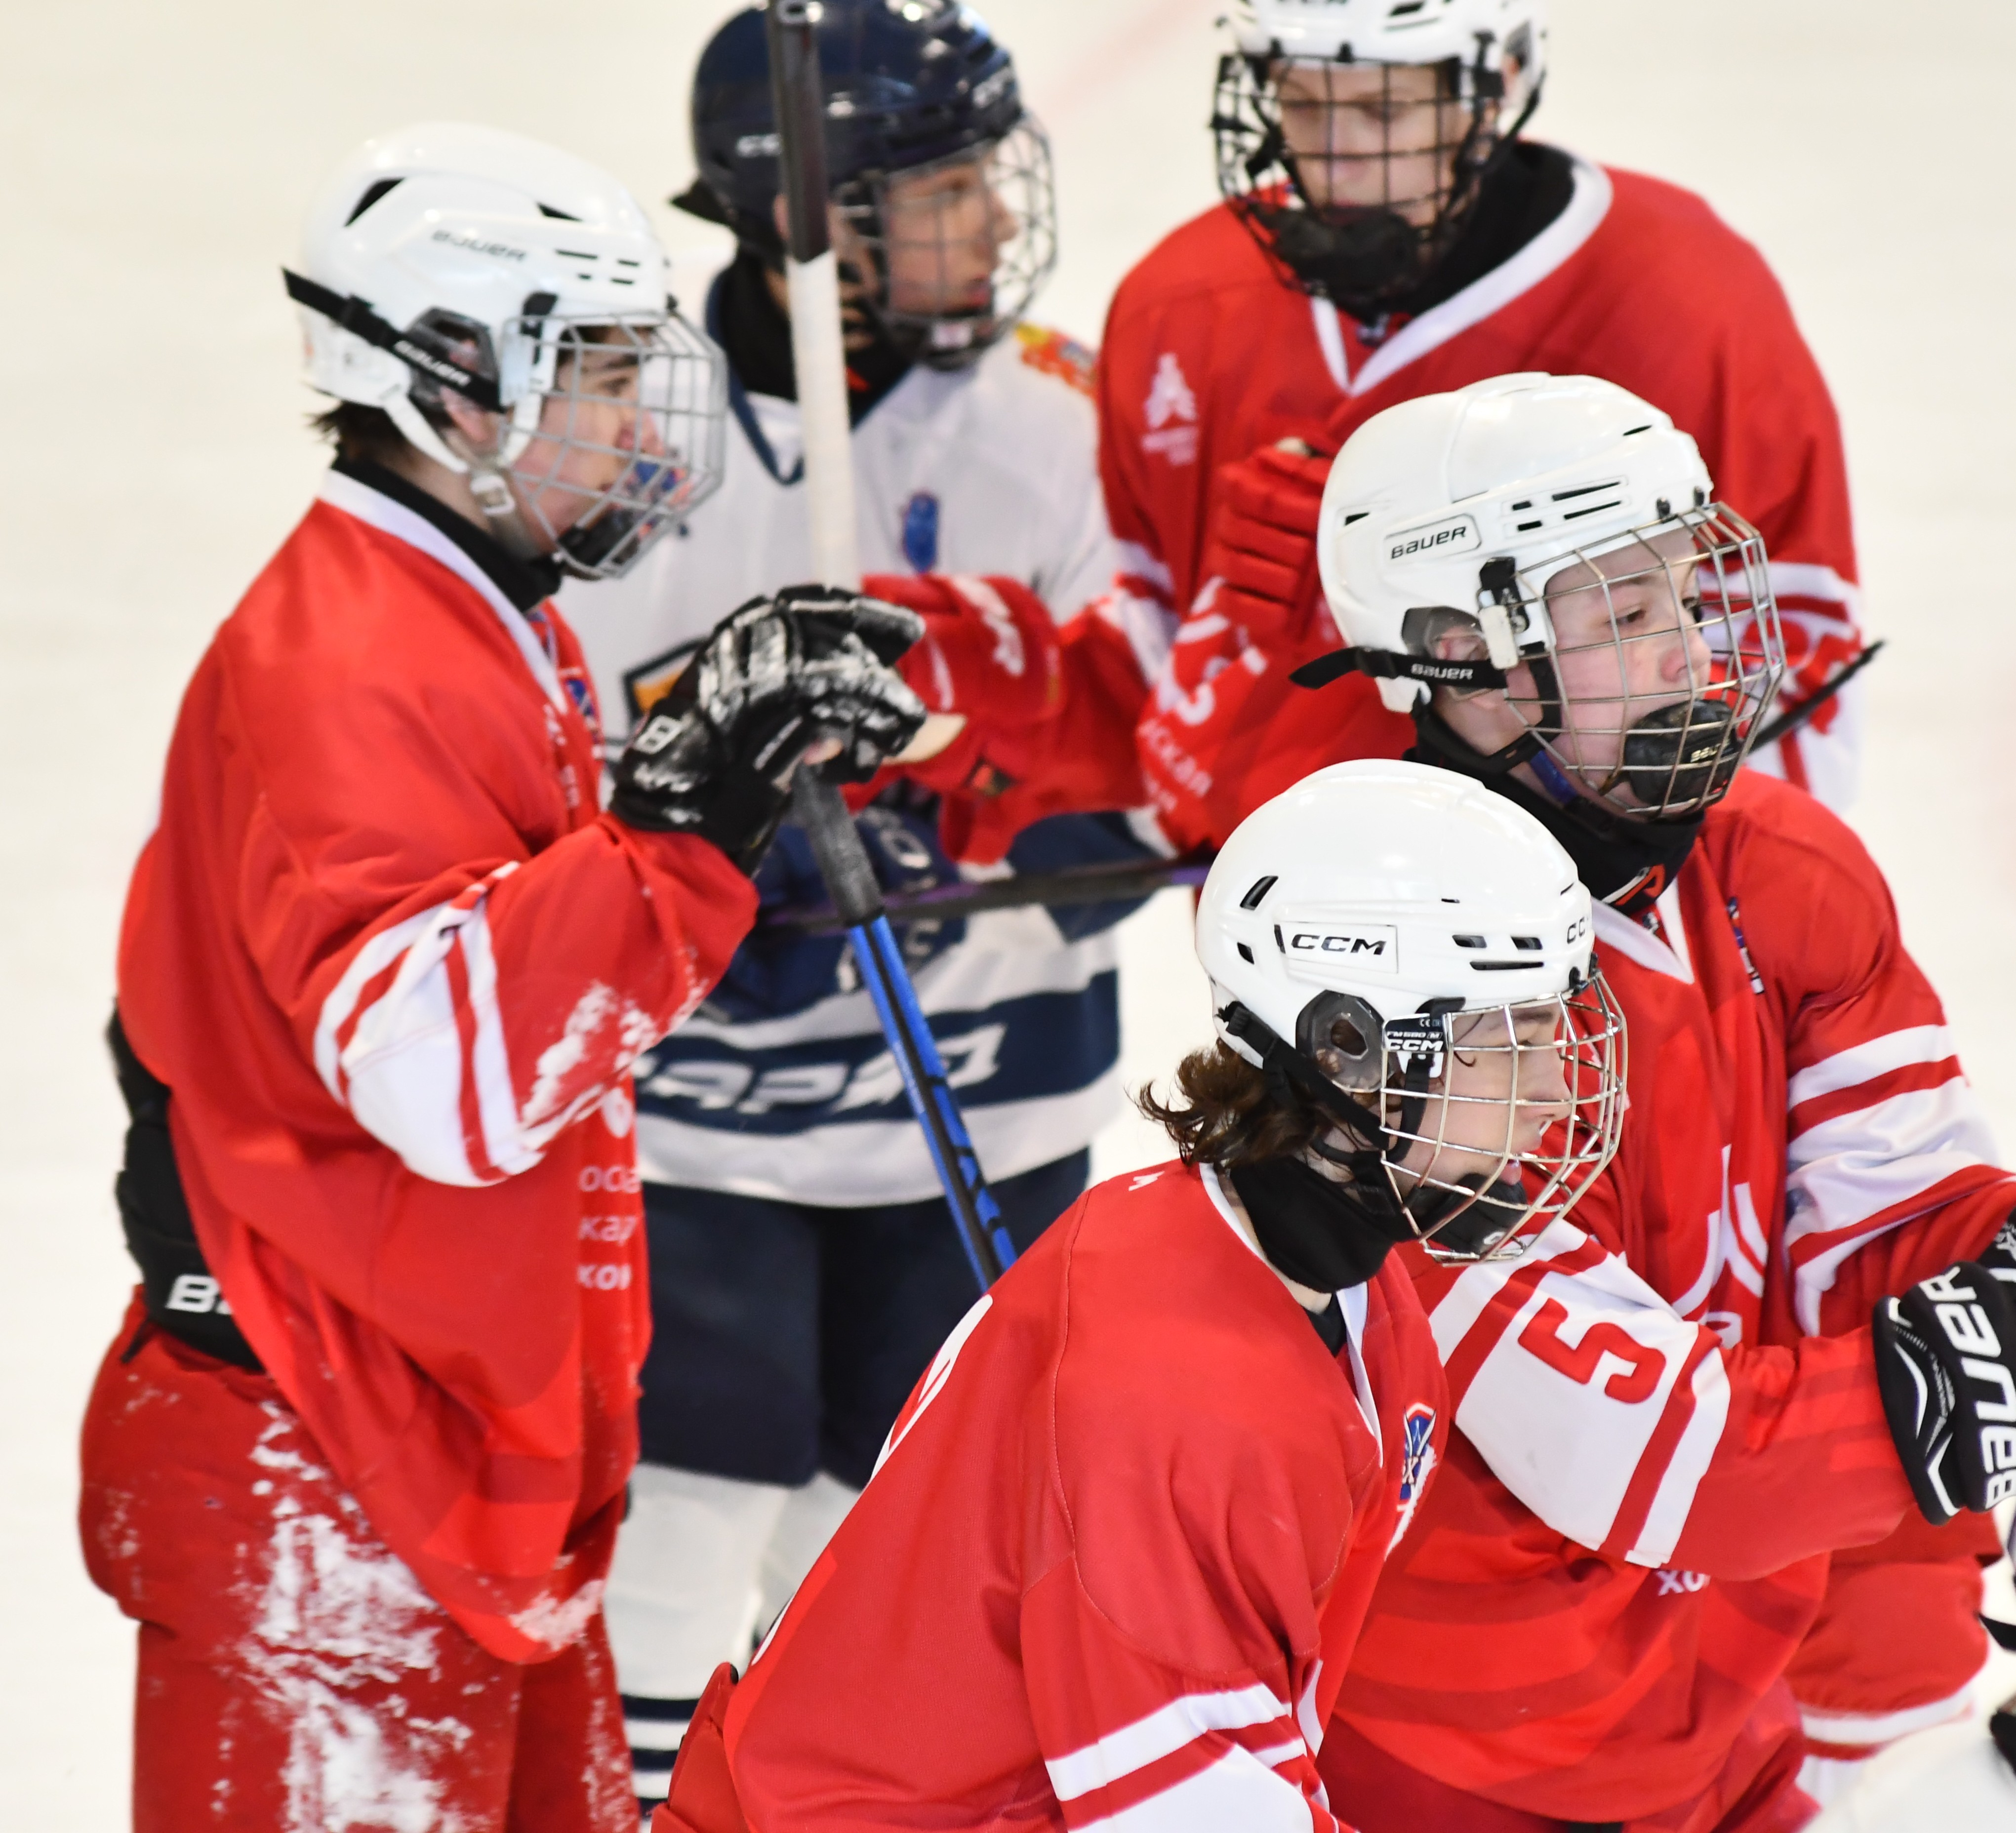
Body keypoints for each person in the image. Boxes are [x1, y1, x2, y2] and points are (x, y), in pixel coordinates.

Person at [78, 122, 927, 1833]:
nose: (640, 419)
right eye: (600, 371)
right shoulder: (348, 662)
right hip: (329, 1469)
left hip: (448, 1447)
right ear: (455, 387)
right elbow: (448, 1078)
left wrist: (712, 820)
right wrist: (688, 823)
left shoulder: (488, 608)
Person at [1273, 374, 2015, 1831]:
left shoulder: (1780, 867)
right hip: (1464, 1766)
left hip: (1738, 1713)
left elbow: (1911, 1246)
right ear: (1456, 654)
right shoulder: (1389, 993)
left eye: (1685, 591)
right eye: (1620, 615)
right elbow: (1645, 1460)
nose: (1687, 654)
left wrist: (1897, 1704)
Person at [555, 6, 1150, 1811]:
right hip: (697, 1128)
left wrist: (1020, 834)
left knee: (886, 1539)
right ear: (799, 217)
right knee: (676, 1522)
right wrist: (709, 840)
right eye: (939, 189)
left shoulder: (1067, 414)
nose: (989, 222)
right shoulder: (619, 429)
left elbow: (1145, 730)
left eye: (985, 178)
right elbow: (536, 748)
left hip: (996, 1097)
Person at [645, 757, 1633, 1832]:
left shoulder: (1345, 1282)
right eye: (1507, 1039)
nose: (1550, 1092)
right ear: (1344, 1046)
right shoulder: (1176, 1394)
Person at [1107, 0, 1868, 847]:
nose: (1336, 163)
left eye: (1381, 110)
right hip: (1302, 951)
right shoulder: (1176, 309)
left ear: (1494, 84)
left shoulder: (1684, 301)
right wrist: (1236, 646)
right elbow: (1131, 683)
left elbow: (1789, 656)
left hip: (1607, 937)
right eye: (1303, 103)